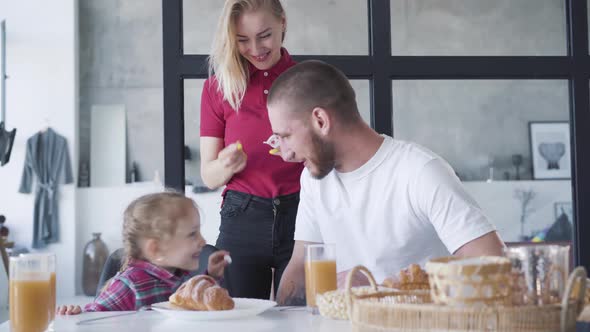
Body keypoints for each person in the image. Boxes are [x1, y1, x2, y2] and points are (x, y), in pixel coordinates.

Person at [266, 60, 506, 305]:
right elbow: (299, 269)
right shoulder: (314, 180)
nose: (285, 154)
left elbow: (494, 265)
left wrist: (380, 290)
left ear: (320, 120)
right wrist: (279, 318)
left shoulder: (420, 171)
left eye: (286, 136)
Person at [199, 0, 303, 299]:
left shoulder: (308, 80)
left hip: (302, 214)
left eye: (264, 35)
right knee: (238, 321)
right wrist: (227, 164)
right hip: (241, 218)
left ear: (283, 22)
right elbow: (209, 175)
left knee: (303, 319)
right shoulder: (218, 88)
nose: (256, 48)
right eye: (242, 40)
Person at [56, 191, 229, 314]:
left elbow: (191, 302)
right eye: (192, 234)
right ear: (155, 249)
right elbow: (96, 319)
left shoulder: (178, 274)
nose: (203, 241)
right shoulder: (130, 285)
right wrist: (75, 313)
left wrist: (211, 277)